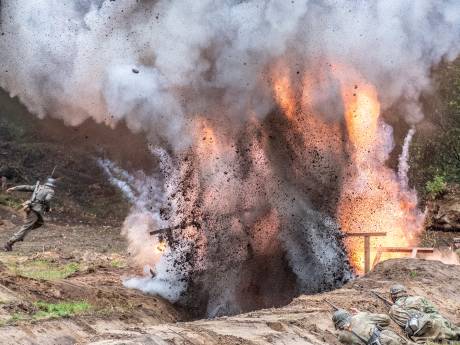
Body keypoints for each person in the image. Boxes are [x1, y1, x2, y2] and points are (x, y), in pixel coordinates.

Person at [389, 284, 460, 343]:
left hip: (420, 332)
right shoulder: (418, 299)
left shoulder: (392, 310)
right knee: (455, 334)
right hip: (435, 323)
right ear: (405, 292)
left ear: (393, 296)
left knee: (446, 340)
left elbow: (402, 325)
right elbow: (434, 312)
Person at [3, 177, 56, 251]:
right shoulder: (51, 191)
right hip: (35, 210)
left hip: (31, 207)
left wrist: (14, 188)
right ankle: (9, 243)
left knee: (40, 222)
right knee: (26, 227)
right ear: (53, 185)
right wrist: (47, 208)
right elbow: (47, 200)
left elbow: (26, 187)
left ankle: (21, 235)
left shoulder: (39, 187)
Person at [332, 308, 414, 345]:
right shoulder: (361, 316)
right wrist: (361, 313)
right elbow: (386, 320)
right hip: (388, 341)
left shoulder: (341, 337)